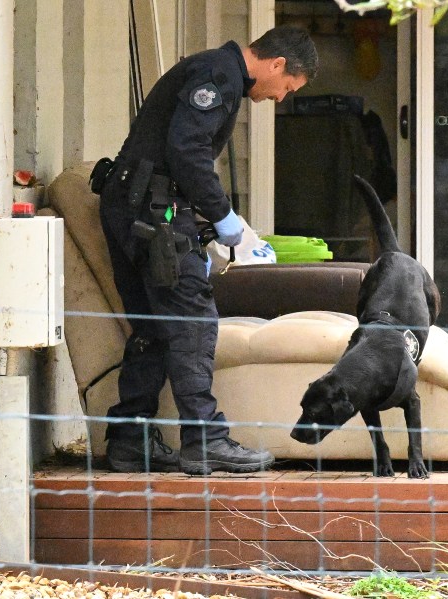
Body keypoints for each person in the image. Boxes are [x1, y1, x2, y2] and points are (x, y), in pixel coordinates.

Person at [94, 26, 318, 474]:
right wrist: (222, 214)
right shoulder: (218, 75)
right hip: (153, 213)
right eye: (287, 88)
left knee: (154, 326)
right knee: (193, 318)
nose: (280, 99)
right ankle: (206, 439)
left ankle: (129, 439)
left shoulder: (215, 71)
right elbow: (187, 149)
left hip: (131, 206)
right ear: (276, 65)